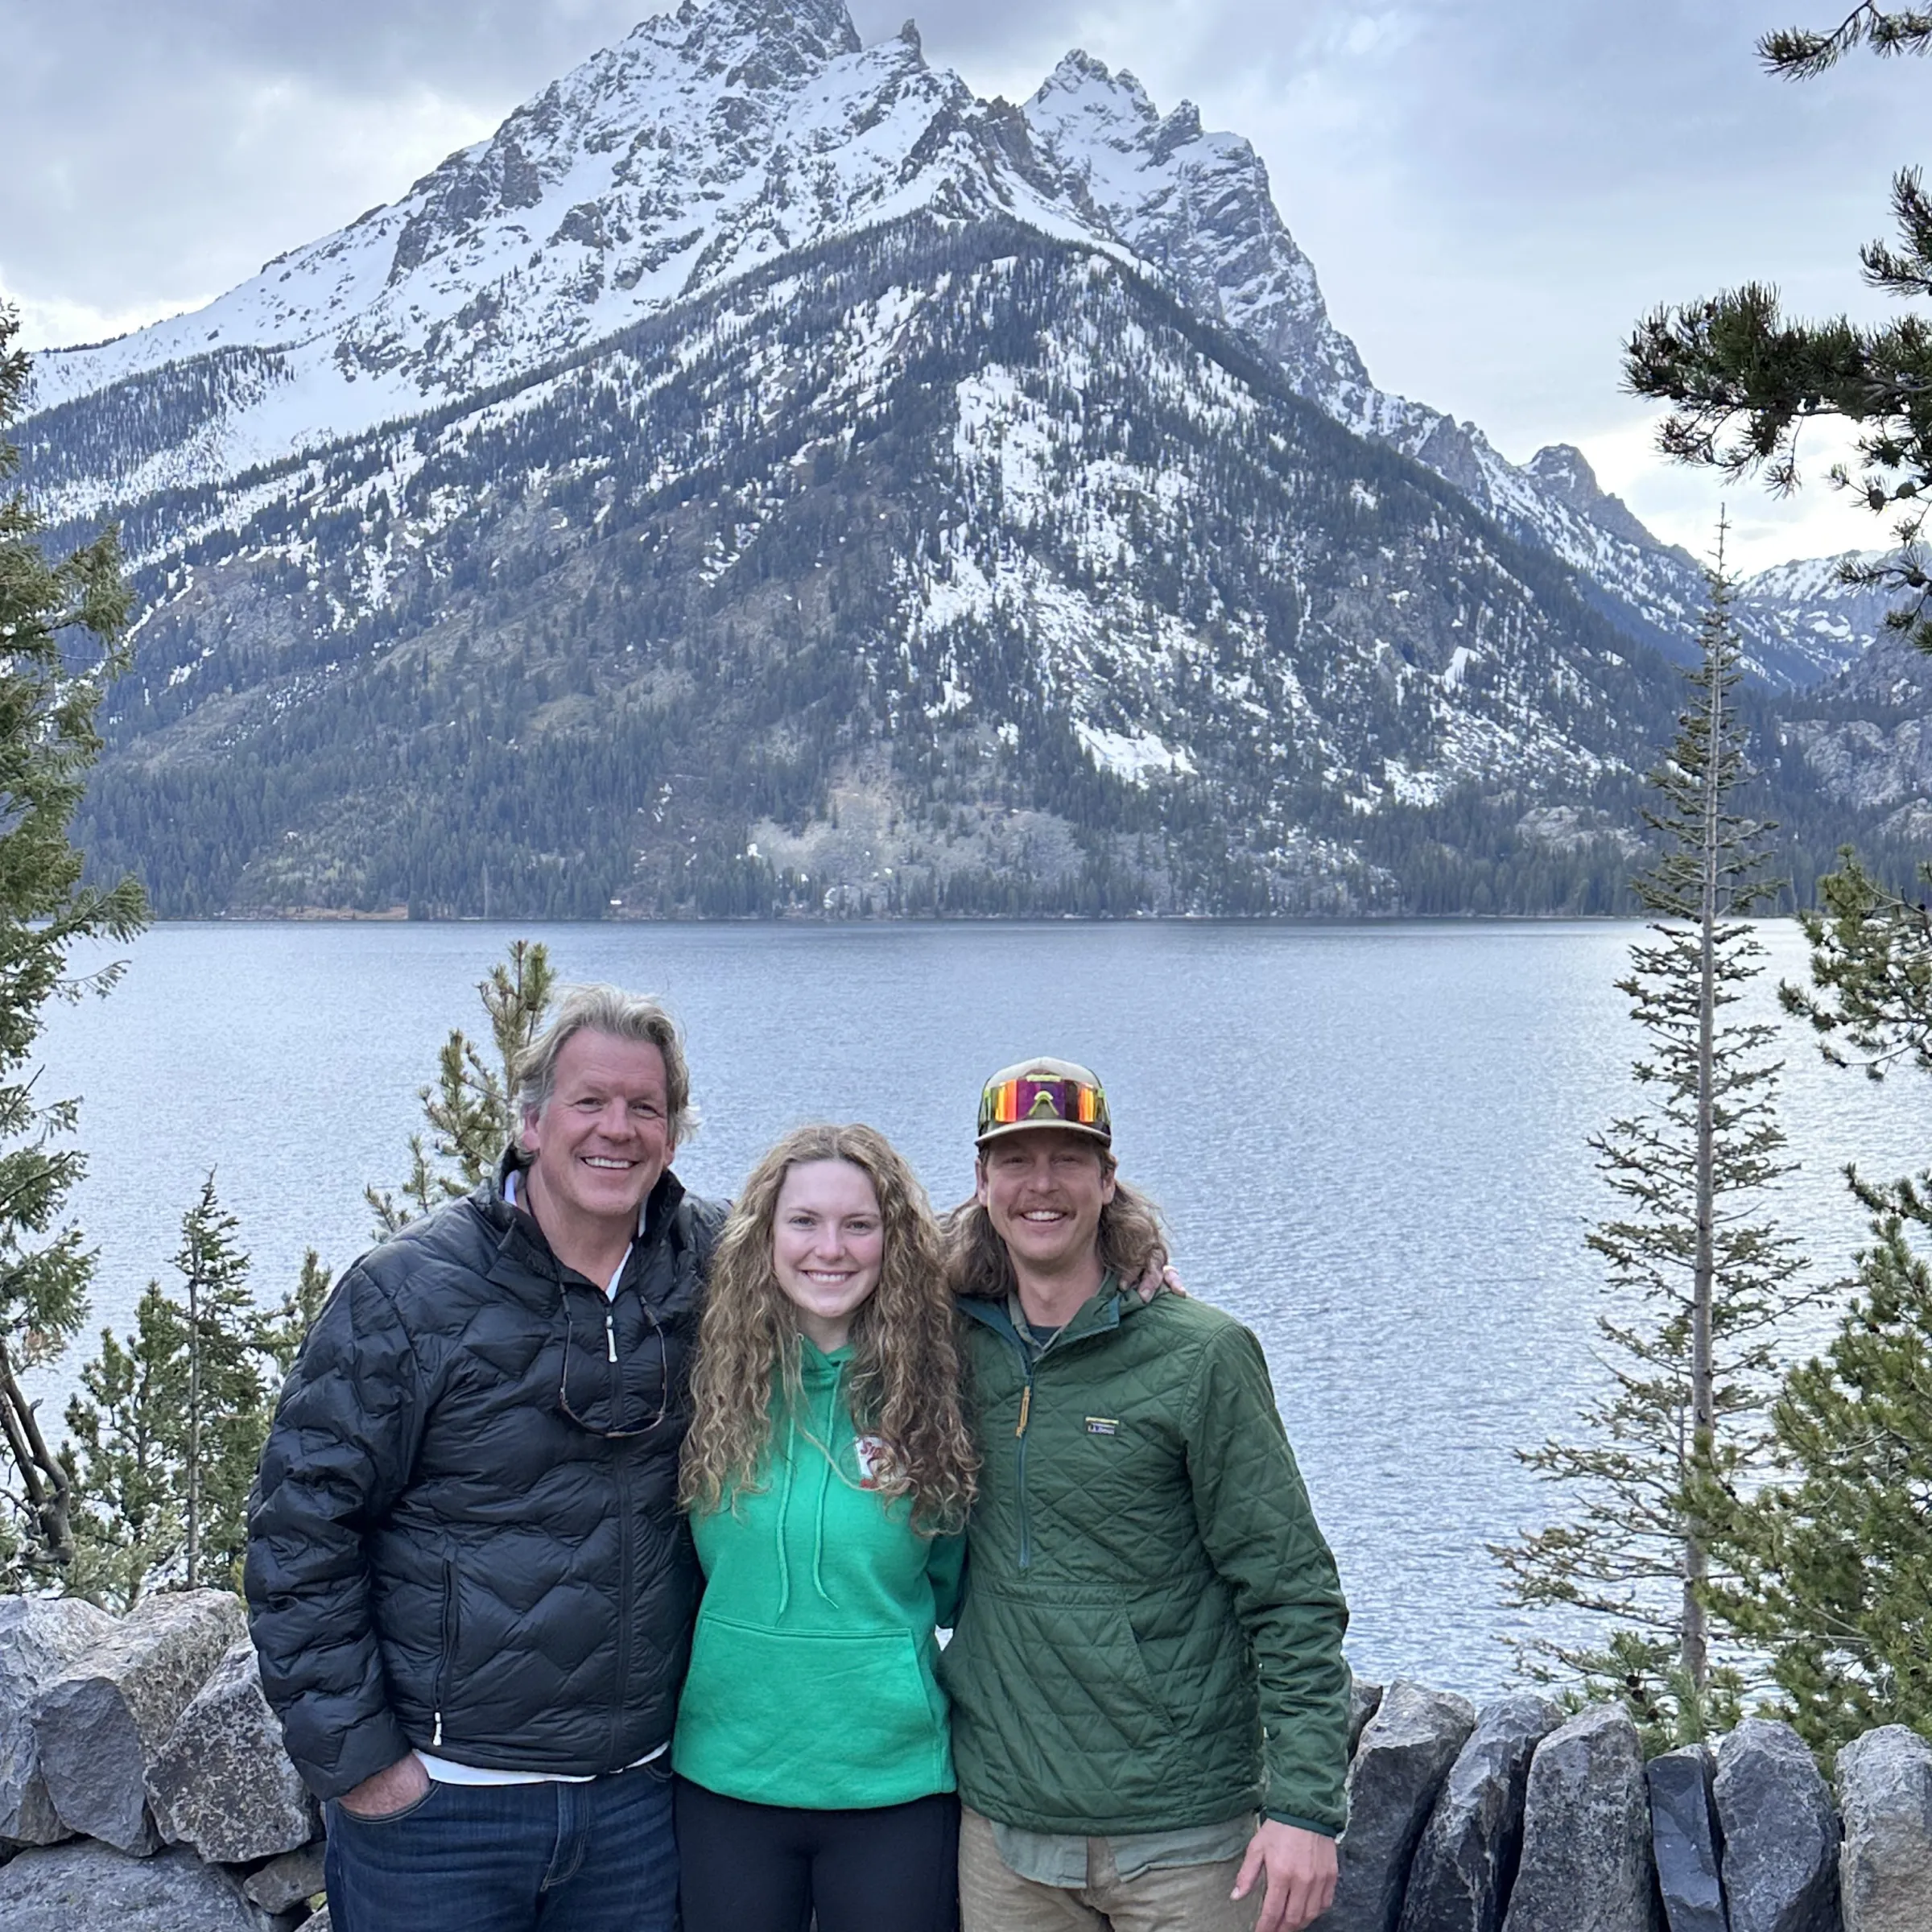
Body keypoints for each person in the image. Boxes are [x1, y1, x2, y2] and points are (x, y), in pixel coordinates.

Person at [245, 985, 724, 1932]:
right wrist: (367, 1770)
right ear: (532, 1119)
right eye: (590, 1102)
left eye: (645, 1108)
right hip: (442, 1814)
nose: (616, 1131)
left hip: (635, 1804)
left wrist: (1096, 1254)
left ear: (672, 1134)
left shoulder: (712, 1264)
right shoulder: (408, 1292)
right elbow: (300, 1531)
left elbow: (865, 1269)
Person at [939, 1057, 1351, 1932]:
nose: (1041, 1185)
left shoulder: (1201, 1355)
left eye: (1068, 1159)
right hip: (1006, 1832)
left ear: (1108, 1177)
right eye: (1015, 1160)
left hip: (1185, 1836)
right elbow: (824, 1264)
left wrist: (1306, 1808)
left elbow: (1290, 1591)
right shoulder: (944, 1340)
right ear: (982, 1180)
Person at [672, 1122, 976, 1932]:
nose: (829, 1249)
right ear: (763, 1236)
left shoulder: (937, 1394)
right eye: (803, 1221)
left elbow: (956, 1586)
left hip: (895, 1786)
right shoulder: (703, 1380)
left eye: (859, 1224)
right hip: (726, 1778)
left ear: (894, 1241)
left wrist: (1135, 1262)